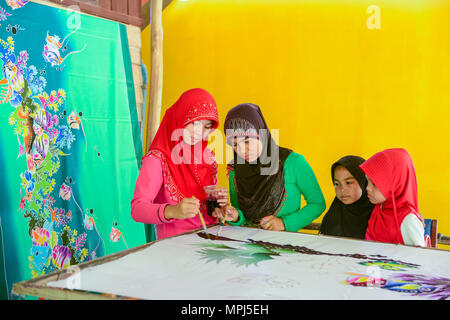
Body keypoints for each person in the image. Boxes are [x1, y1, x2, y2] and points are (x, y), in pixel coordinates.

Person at [131, 88, 227, 240]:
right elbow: (137, 209)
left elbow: (209, 204)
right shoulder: (157, 159)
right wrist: (173, 211)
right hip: (176, 250)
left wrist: (219, 207)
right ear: (180, 117)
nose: (199, 132)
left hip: (212, 241)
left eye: (207, 126)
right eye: (195, 123)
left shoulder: (207, 157)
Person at [214, 103, 326, 232]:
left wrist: (285, 223)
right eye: (234, 144)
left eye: (246, 141)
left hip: (283, 246)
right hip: (246, 245)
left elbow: (318, 204)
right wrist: (235, 216)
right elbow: (242, 217)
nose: (241, 150)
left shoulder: (292, 162)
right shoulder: (236, 169)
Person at [359, 148, 425, 246]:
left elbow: (419, 258)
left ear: (395, 185)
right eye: (367, 182)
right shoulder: (380, 208)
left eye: (374, 183)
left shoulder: (408, 220)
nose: (367, 188)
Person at [319, 156, 374, 239]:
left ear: (363, 181)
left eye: (348, 182)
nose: (342, 190)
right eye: (337, 184)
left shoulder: (378, 215)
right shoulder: (332, 215)